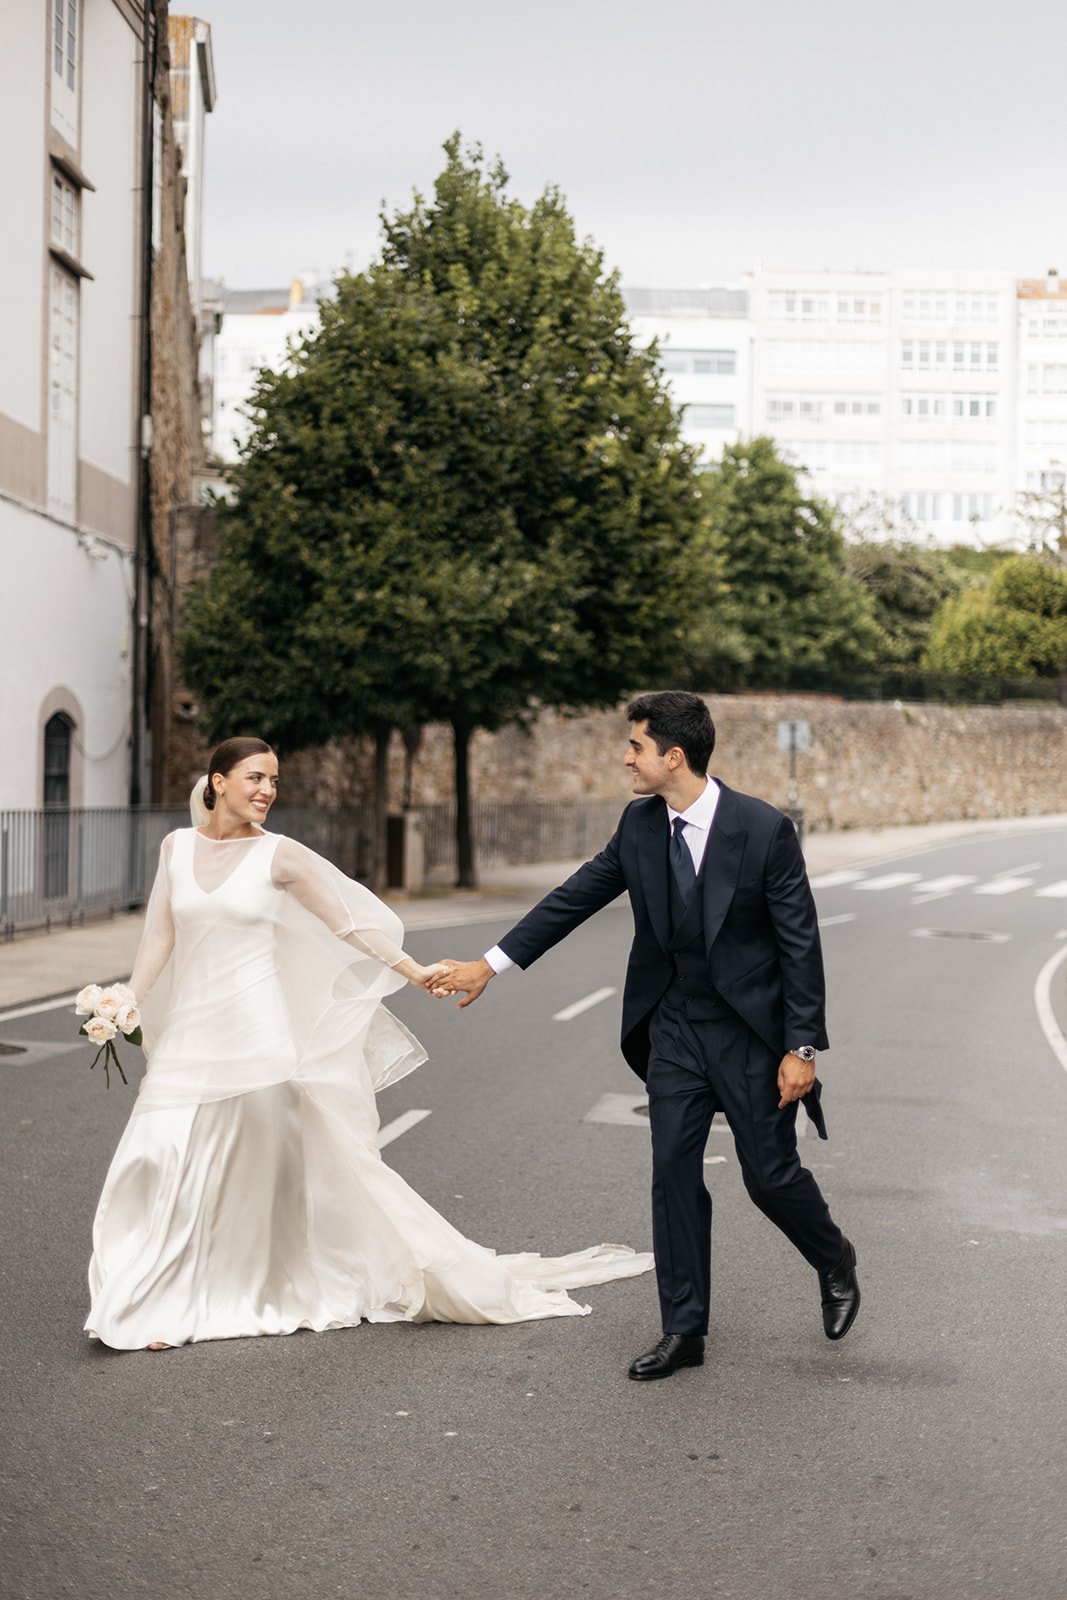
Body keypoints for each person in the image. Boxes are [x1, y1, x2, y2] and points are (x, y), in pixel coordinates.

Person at [85, 737, 651, 1351]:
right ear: (216, 782)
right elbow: (160, 936)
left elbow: (348, 923)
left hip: (258, 1032)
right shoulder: (176, 848)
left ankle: (237, 1287)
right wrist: (129, 998)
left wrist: (412, 971)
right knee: (161, 1150)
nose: (267, 791)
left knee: (256, 1168)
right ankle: (158, 1286)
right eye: (254, 778)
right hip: (195, 1030)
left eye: (274, 780)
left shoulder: (280, 856)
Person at [432, 691, 860, 1381]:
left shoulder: (761, 830)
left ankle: (832, 1256)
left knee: (769, 1178)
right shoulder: (638, 827)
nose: (623, 758)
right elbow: (573, 896)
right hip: (674, 1031)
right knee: (671, 1174)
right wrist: (488, 965)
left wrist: (800, 1047)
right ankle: (683, 1329)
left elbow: (798, 946)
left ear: (673, 755)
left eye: (633, 746)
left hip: (750, 1036)